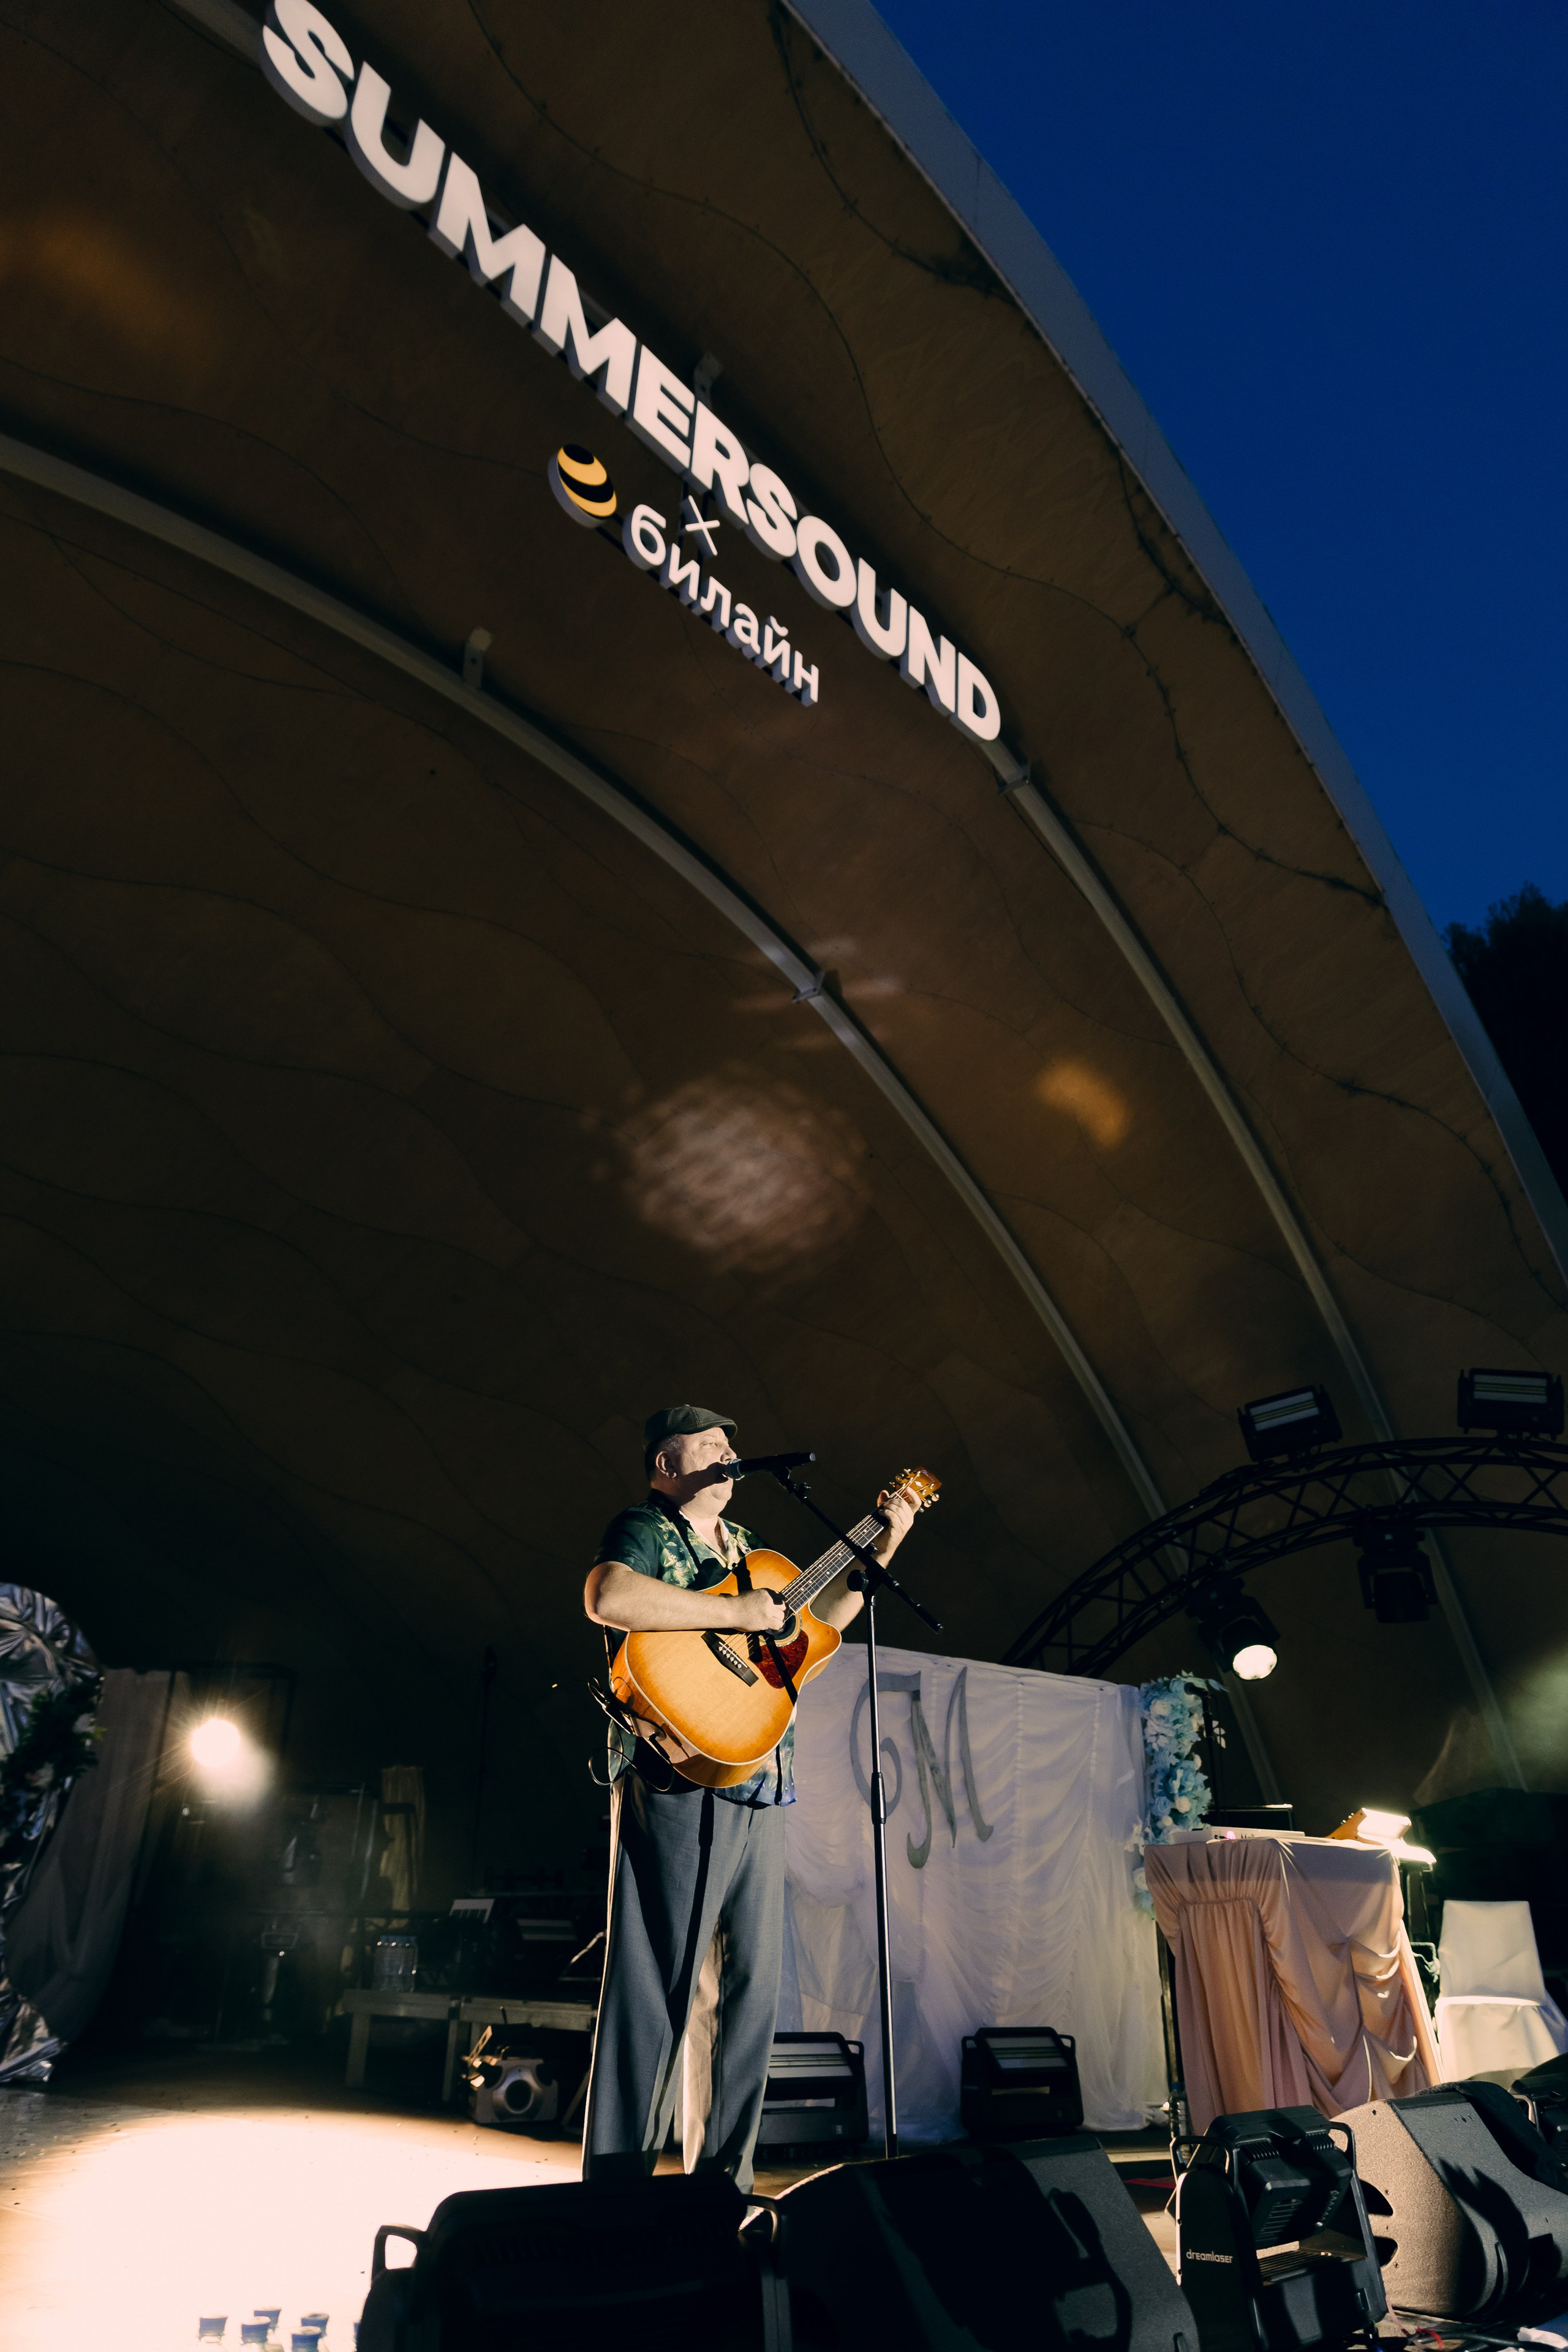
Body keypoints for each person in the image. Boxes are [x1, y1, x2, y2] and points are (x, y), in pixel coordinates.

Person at [580, 1403, 916, 2191]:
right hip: (678, 1765)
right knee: (656, 1981)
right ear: (666, 1463)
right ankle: (616, 2191)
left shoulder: (750, 1552)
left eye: (733, 1447)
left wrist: (886, 1535)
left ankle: (719, 2188)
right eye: (709, 1445)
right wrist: (733, 1611)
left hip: (760, 1776)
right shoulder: (645, 1529)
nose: (730, 1456)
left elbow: (816, 1631)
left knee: (749, 1990)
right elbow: (610, 1597)